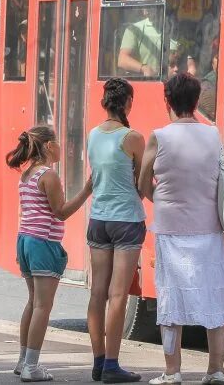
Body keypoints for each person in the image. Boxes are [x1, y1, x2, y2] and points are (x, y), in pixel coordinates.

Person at [138, 73, 224, 385]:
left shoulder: (159, 136)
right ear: (197, 101)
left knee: (172, 299)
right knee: (215, 296)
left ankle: (172, 372)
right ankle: (216, 370)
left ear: (167, 101)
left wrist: (164, 200)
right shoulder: (213, 135)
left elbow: (143, 182)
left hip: (171, 229)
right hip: (209, 228)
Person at [9, 125, 91, 382]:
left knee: (33, 302)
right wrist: (87, 189)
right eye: (57, 141)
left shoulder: (28, 174)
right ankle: (31, 367)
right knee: (43, 306)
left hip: (25, 241)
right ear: (47, 146)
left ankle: (23, 361)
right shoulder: (48, 175)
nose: (60, 146)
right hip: (43, 242)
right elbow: (61, 211)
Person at [85, 78, 147, 383]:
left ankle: (98, 362)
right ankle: (111, 364)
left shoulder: (92, 135)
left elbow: (96, 176)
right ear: (127, 103)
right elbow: (142, 184)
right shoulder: (133, 138)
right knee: (118, 294)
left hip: (98, 221)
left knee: (98, 292)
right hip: (126, 222)